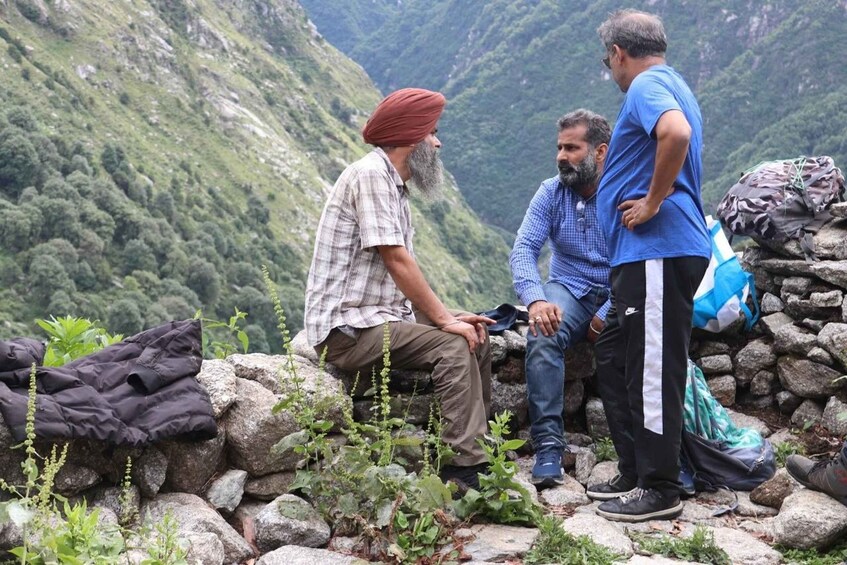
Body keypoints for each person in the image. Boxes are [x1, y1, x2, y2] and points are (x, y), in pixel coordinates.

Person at [304, 88, 494, 491]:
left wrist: (445, 315)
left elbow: (393, 282)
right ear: (411, 138)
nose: (438, 142)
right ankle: (463, 471)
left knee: (477, 334)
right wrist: (441, 320)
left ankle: (482, 446)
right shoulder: (371, 176)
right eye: (432, 133)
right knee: (452, 345)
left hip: (375, 317)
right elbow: (396, 259)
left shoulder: (392, 185)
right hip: (347, 332)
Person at [586, 10, 711, 522]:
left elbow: (675, 135)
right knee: (616, 353)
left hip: (656, 250)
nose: (610, 69)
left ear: (619, 52)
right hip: (643, 257)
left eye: (607, 59)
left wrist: (653, 202)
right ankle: (638, 467)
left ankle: (660, 487)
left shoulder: (646, 85)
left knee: (654, 366)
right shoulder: (672, 82)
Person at [509, 109, 612, 489]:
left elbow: (638, 260)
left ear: (600, 152)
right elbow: (523, 250)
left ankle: (656, 446)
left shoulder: (622, 193)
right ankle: (549, 445)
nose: (561, 156)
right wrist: (535, 300)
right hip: (567, 288)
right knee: (542, 331)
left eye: (573, 148)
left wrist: (608, 311)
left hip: (618, 290)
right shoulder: (550, 192)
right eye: (559, 147)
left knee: (647, 341)